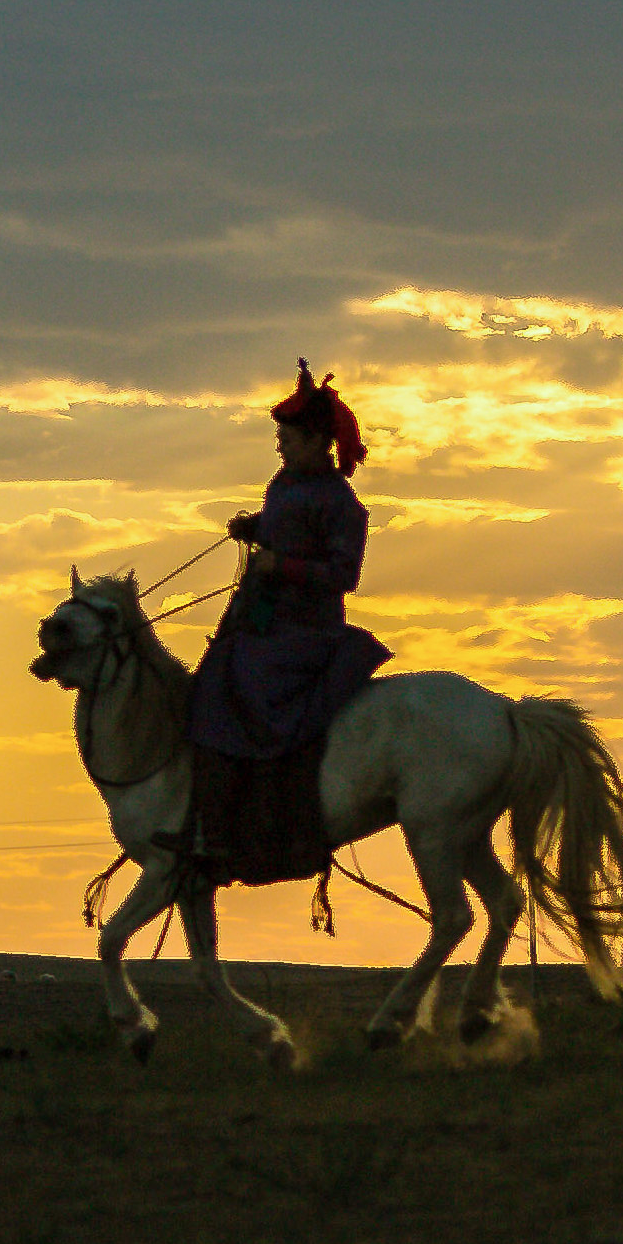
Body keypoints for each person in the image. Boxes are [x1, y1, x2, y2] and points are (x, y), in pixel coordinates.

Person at [184, 363, 390, 876]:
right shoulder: (286, 485)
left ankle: (245, 826)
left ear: (318, 440)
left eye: (288, 438)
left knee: (239, 683)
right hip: (264, 620)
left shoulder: (344, 505)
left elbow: (343, 574)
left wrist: (283, 565)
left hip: (306, 632)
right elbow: (288, 527)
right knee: (212, 676)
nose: (280, 447)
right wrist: (256, 528)